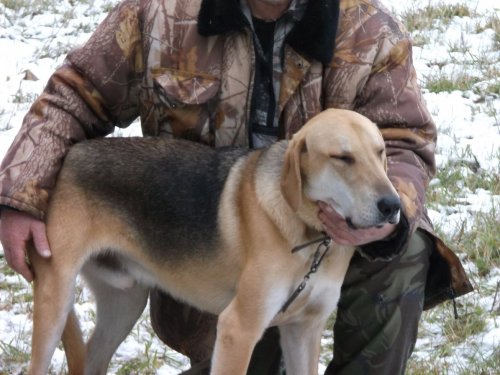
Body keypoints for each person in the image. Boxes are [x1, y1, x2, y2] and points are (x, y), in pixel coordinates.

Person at [0, 0, 472, 373]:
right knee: (242, 339)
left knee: (406, 251)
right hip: (194, 243)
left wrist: (391, 218)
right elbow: (72, 94)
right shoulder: (158, 12)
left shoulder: (369, 31)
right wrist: (21, 193)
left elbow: (406, 142)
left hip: (336, 240)